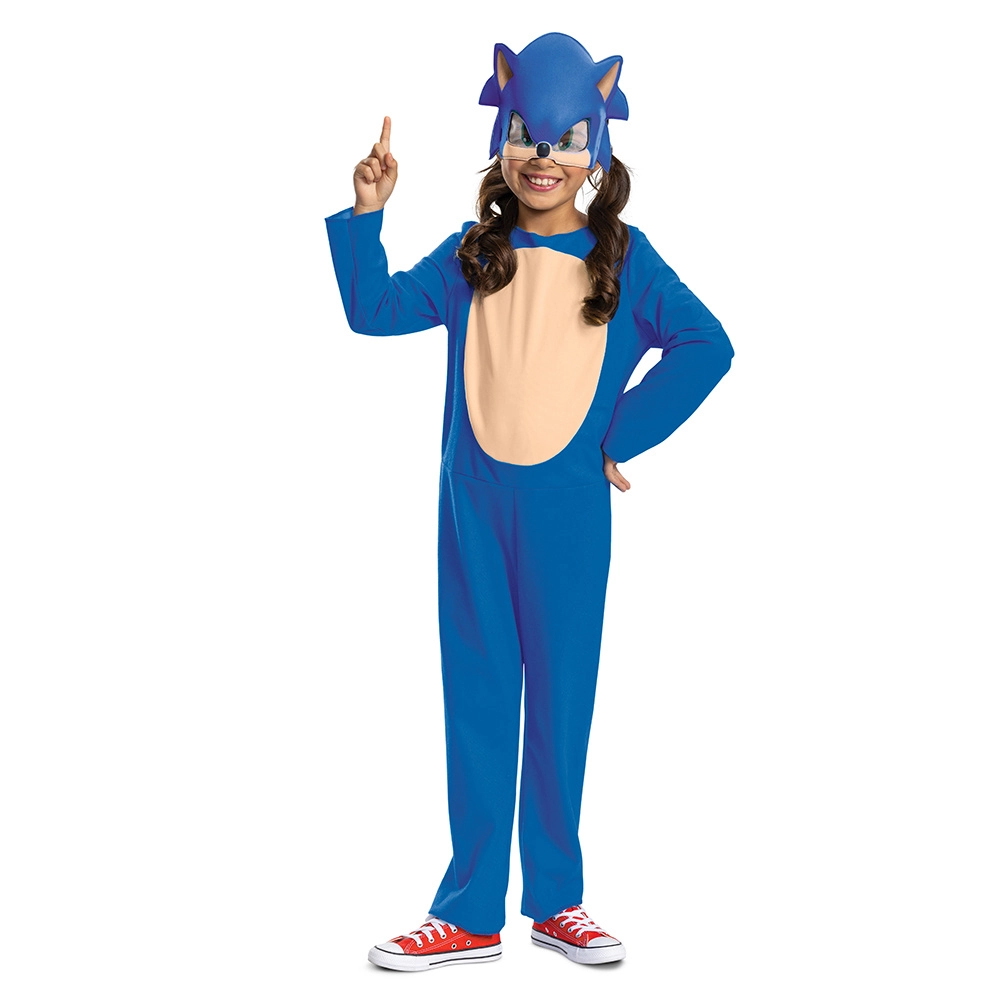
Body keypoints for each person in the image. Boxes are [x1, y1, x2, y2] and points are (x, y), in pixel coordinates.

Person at [324, 32, 734, 972]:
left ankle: (556, 901)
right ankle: (469, 910)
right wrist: (366, 216)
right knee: (476, 700)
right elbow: (373, 311)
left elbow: (708, 345)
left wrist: (618, 437)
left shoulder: (625, 258)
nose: (543, 158)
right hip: (472, 510)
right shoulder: (474, 252)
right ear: (502, 136)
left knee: (560, 703)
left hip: (568, 518)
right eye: (525, 136)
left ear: (597, 147)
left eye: (566, 140)